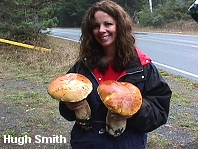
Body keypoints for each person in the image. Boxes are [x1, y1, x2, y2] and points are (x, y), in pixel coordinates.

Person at [59, 0, 172, 149]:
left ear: (120, 26)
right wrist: (69, 106)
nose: (101, 30)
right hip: (87, 144)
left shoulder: (142, 68)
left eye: (108, 24)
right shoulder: (83, 67)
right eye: (95, 26)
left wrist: (134, 113)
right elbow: (65, 109)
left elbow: (160, 110)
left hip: (128, 144)